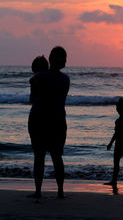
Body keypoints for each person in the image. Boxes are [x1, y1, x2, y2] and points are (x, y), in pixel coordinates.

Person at [28, 47, 70, 199]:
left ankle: (38, 191)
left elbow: (32, 99)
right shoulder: (66, 79)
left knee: (39, 156)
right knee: (57, 157)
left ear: (50, 59)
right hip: (58, 120)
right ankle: (60, 191)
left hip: (39, 119)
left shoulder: (37, 78)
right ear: (64, 61)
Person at [105, 98, 123, 188]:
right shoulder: (117, 121)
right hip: (118, 145)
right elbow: (116, 133)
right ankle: (114, 181)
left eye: (119, 108)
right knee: (116, 163)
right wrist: (110, 143)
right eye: (117, 107)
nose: (118, 109)